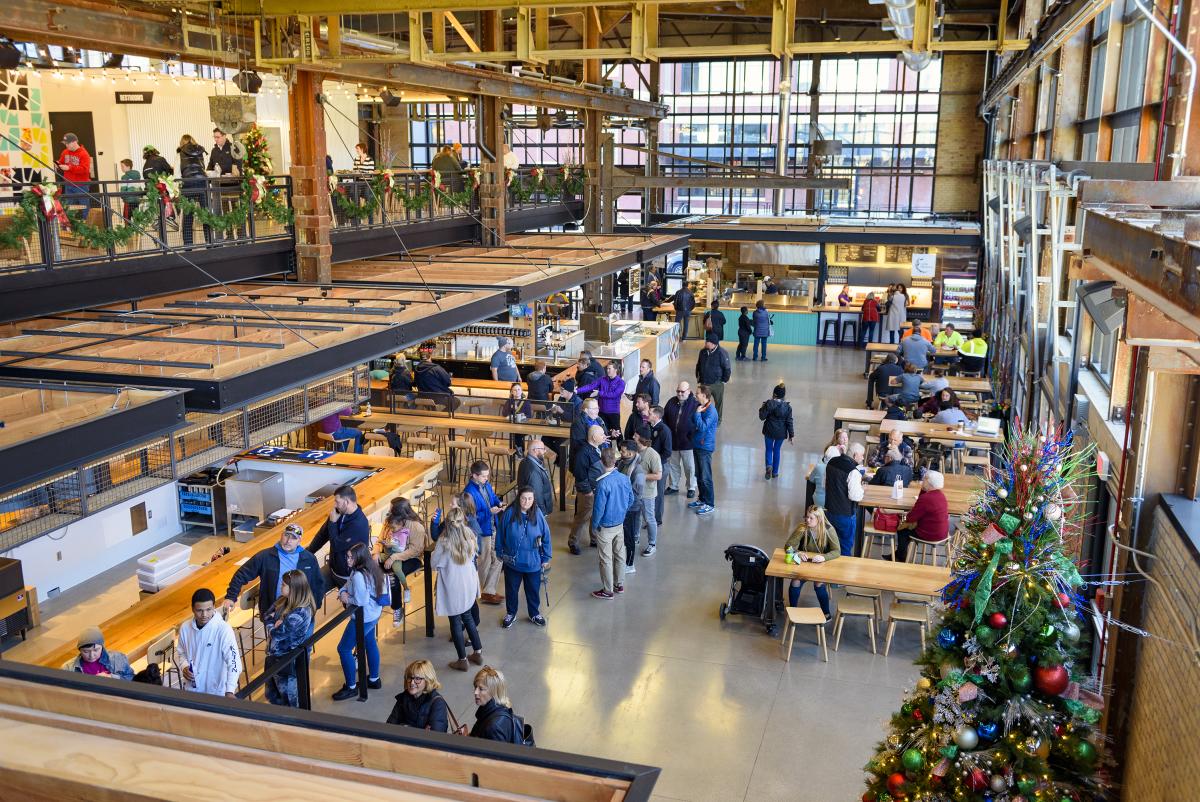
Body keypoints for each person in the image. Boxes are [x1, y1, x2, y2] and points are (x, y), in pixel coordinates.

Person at [225, 523, 325, 618]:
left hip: (302, 614)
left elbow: (318, 584)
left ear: (299, 541)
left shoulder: (309, 559)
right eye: (286, 535)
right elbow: (241, 574)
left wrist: (313, 608)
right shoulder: (265, 556)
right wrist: (230, 597)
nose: (288, 540)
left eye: (294, 538)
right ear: (281, 535)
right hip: (273, 613)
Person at [331, 542, 387, 700]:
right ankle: (374, 679)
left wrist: (346, 597)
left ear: (359, 558)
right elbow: (347, 584)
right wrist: (343, 591)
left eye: (350, 557)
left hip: (363, 618)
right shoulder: (370, 568)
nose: (347, 560)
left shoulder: (357, 575)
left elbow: (360, 600)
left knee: (343, 649)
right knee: (370, 642)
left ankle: (351, 687)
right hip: (374, 613)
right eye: (347, 556)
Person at [431, 507, 484, 671]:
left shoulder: (444, 541)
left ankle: (462, 659)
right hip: (468, 582)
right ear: (463, 520)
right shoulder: (470, 535)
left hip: (452, 585)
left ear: (447, 523)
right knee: (468, 617)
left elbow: (434, 564)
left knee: (455, 621)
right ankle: (478, 652)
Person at [496, 486, 552, 627]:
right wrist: (499, 551)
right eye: (523, 498)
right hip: (513, 562)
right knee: (512, 589)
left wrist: (546, 557)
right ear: (518, 497)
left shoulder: (538, 514)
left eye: (530, 498)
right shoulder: (509, 513)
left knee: (533, 589)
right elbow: (500, 534)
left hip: (533, 562)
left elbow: (546, 536)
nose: (526, 502)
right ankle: (511, 613)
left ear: (534, 500)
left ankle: (534, 613)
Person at [263, 569, 316, 707]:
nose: (281, 586)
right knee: (272, 694)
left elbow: (277, 633)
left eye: (284, 585)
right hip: (274, 656)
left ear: (293, 589)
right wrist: (275, 624)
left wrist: (273, 627)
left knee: (287, 697)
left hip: (287, 660)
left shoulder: (300, 612)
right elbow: (266, 615)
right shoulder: (283, 600)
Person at [174, 588, 241, 698]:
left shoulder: (223, 630)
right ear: (193, 609)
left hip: (217, 692)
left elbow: (234, 662)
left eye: (209, 609)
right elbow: (181, 653)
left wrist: (230, 690)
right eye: (199, 610)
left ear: (214, 607)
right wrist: (184, 666)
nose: (204, 614)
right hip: (192, 690)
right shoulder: (185, 628)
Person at [374, 497, 430, 623]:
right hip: (389, 555)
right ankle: (374, 607)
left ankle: (397, 608)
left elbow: (415, 550)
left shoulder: (416, 527)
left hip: (411, 558)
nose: (389, 511)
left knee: (392, 576)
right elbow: (379, 540)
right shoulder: (390, 521)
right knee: (370, 570)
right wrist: (376, 553)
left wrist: (394, 557)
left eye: (391, 508)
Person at [306, 485, 371, 591]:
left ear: (346, 502)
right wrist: (308, 553)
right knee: (312, 592)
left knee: (353, 605)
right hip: (333, 568)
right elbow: (323, 534)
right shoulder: (338, 512)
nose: (335, 505)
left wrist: (332, 522)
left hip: (350, 576)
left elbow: (336, 545)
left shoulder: (359, 524)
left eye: (337, 502)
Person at [591, 447, 635, 599]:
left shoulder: (602, 484)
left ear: (602, 462)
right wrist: (622, 511)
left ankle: (608, 590)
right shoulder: (624, 478)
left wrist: (594, 526)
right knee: (620, 554)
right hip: (619, 524)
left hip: (605, 526)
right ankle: (619, 584)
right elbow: (631, 499)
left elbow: (598, 509)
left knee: (606, 559)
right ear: (615, 461)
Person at [784, 506, 841, 622]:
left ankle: (826, 612)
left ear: (819, 519)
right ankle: (792, 610)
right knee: (795, 581)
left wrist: (824, 557)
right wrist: (798, 553)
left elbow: (837, 551)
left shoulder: (829, 530)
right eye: (806, 517)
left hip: (821, 564)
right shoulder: (802, 528)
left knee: (818, 583)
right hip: (805, 563)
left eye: (811, 518)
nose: (807, 520)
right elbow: (788, 545)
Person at [464, 461, 505, 604]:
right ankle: (486, 592)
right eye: (483, 476)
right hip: (482, 531)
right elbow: (471, 518)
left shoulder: (485, 484)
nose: (486, 479)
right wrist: (489, 512)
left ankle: (488, 590)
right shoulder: (469, 492)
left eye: (487, 476)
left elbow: (492, 497)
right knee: (485, 561)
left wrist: (499, 503)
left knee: (499, 557)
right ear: (474, 475)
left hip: (493, 525)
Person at [892, 471, 950, 562]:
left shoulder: (927, 498)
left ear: (928, 481)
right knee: (907, 526)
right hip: (943, 532)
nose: (922, 480)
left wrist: (903, 518)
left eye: (924, 479)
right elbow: (921, 502)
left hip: (931, 534)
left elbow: (911, 517)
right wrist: (923, 489)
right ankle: (898, 554)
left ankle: (900, 557)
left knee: (903, 530)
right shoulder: (940, 495)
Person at [569, 425, 607, 555]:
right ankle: (573, 542)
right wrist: (588, 491)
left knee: (596, 515)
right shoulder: (583, 453)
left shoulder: (597, 448)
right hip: (588, 492)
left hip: (598, 490)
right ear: (593, 437)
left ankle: (594, 538)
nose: (604, 436)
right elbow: (580, 475)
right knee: (582, 517)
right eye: (602, 435)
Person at [824, 441, 866, 557]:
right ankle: (841, 572)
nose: (863, 458)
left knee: (830, 546)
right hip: (845, 514)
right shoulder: (853, 471)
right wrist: (862, 489)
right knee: (845, 548)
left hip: (829, 511)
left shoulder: (832, 462)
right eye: (862, 455)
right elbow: (855, 496)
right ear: (855, 455)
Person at [467, 666, 529, 744]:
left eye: (481, 689)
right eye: (475, 687)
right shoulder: (498, 709)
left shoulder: (494, 728)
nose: (475, 692)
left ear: (494, 692)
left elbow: (496, 755)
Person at [387, 660, 450, 731]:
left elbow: (435, 736)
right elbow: (390, 726)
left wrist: (403, 727)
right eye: (410, 677)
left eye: (417, 679)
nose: (412, 683)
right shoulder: (404, 697)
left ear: (427, 681)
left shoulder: (437, 703)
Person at [663, 382, 699, 499]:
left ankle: (691, 487)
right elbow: (664, 418)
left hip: (688, 442)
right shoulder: (671, 402)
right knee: (673, 465)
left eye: (682, 392)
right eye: (678, 391)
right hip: (673, 441)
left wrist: (692, 436)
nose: (679, 394)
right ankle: (673, 486)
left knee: (689, 467)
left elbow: (698, 423)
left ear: (688, 391)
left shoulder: (695, 404)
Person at [632, 428, 663, 557]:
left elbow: (658, 476)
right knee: (636, 516)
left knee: (649, 518)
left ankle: (652, 544)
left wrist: (641, 476)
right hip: (635, 492)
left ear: (641, 438)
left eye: (635, 435)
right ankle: (635, 537)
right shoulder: (635, 451)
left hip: (647, 493)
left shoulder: (652, 454)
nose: (633, 436)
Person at [617, 440, 646, 573]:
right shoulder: (623, 463)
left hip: (631, 508)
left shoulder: (637, 471)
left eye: (622, 451)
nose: (620, 453)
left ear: (631, 452)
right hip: (623, 506)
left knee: (629, 537)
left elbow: (637, 494)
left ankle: (630, 564)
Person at [62, 626, 134, 680]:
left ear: (102, 647)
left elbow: (131, 679)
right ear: (79, 650)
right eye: (86, 651)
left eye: (96, 650)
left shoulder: (117, 659)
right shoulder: (68, 668)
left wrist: (111, 677)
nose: (91, 655)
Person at [690, 384, 719, 517]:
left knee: (706, 476)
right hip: (697, 445)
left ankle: (710, 504)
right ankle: (702, 499)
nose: (696, 395)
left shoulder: (711, 411)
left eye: (697, 393)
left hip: (705, 447)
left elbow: (702, 427)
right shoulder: (702, 408)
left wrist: (696, 414)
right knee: (699, 474)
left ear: (704, 395)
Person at [177, 134, 210, 246]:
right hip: (202, 185)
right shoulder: (200, 151)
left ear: (182, 142)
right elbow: (203, 168)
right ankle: (209, 242)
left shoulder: (180, 153)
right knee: (206, 214)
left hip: (188, 186)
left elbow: (177, 173)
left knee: (188, 216)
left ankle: (188, 245)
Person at [576, 361, 625, 435]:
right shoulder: (602, 379)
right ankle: (607, 446)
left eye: (609, 369)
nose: (607, 370)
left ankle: (621, 446)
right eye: (607, 369)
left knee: (617, 434)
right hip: (602, 412)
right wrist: (577, 391)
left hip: (613, 412)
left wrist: (599, 393)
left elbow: (614, 394)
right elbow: (590, 386)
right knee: (603, 432)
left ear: (615, 370)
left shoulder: (621, 382)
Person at [758, 382, 794, 481]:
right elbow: (789, 421)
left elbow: (762, 417)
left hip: (769, 430)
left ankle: (769, 466)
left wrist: (762, 408)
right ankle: (775, 473)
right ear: (784, 396)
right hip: (781, 433)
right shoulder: (788, 407)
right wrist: (791, 435)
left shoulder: (769, 403)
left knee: (769, 449)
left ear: (774, 394)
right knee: (777, 450)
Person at [646, 404, 672, 531]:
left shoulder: (664, 430)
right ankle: (650, 517)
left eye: (650, 413)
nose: (647, 415)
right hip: (651, 466)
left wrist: (655, 462)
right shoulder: (650, 427)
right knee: (650, 493)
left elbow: (667, 452)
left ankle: (657, 519)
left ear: (656, 416)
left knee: (658, 494)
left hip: (660, 466)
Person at [695, 336, 732, 420]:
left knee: (718, 402)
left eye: (707, 342)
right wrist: (698, 377)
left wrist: (724, 381)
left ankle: (718, 419)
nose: (705, 343)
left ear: (712, 344)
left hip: (717, 384)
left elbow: (727, 368)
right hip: (704, 382)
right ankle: (702, 418)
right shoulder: (703, 352)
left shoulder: (722, 353)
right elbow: (699, 364)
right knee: (702, 401)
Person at [516, 439, 555, 516]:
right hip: (535, 512)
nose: (545, 451)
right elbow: (537, 495)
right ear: (536, 450)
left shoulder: (526, 461)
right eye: (543, 449)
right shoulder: (533, 471)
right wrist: (542, 513)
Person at [56, 133, 92, 209]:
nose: (66, 145)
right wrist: (58, 164)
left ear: (75, 142)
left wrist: (69, 168)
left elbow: (84, 170)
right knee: (68, 208)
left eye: (68, 143)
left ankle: (86, 221)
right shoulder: (65, 152)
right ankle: (70, 221)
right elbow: (61, 162)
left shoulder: (84, 154)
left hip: (81, 185)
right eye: (65, 143)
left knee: (85, 208)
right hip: (68, 184)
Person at [806, 445, 842, 509]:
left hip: (818, 500)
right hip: (833, 501)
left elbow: (811, 479)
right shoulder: (839, 470)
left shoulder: (818, 467)